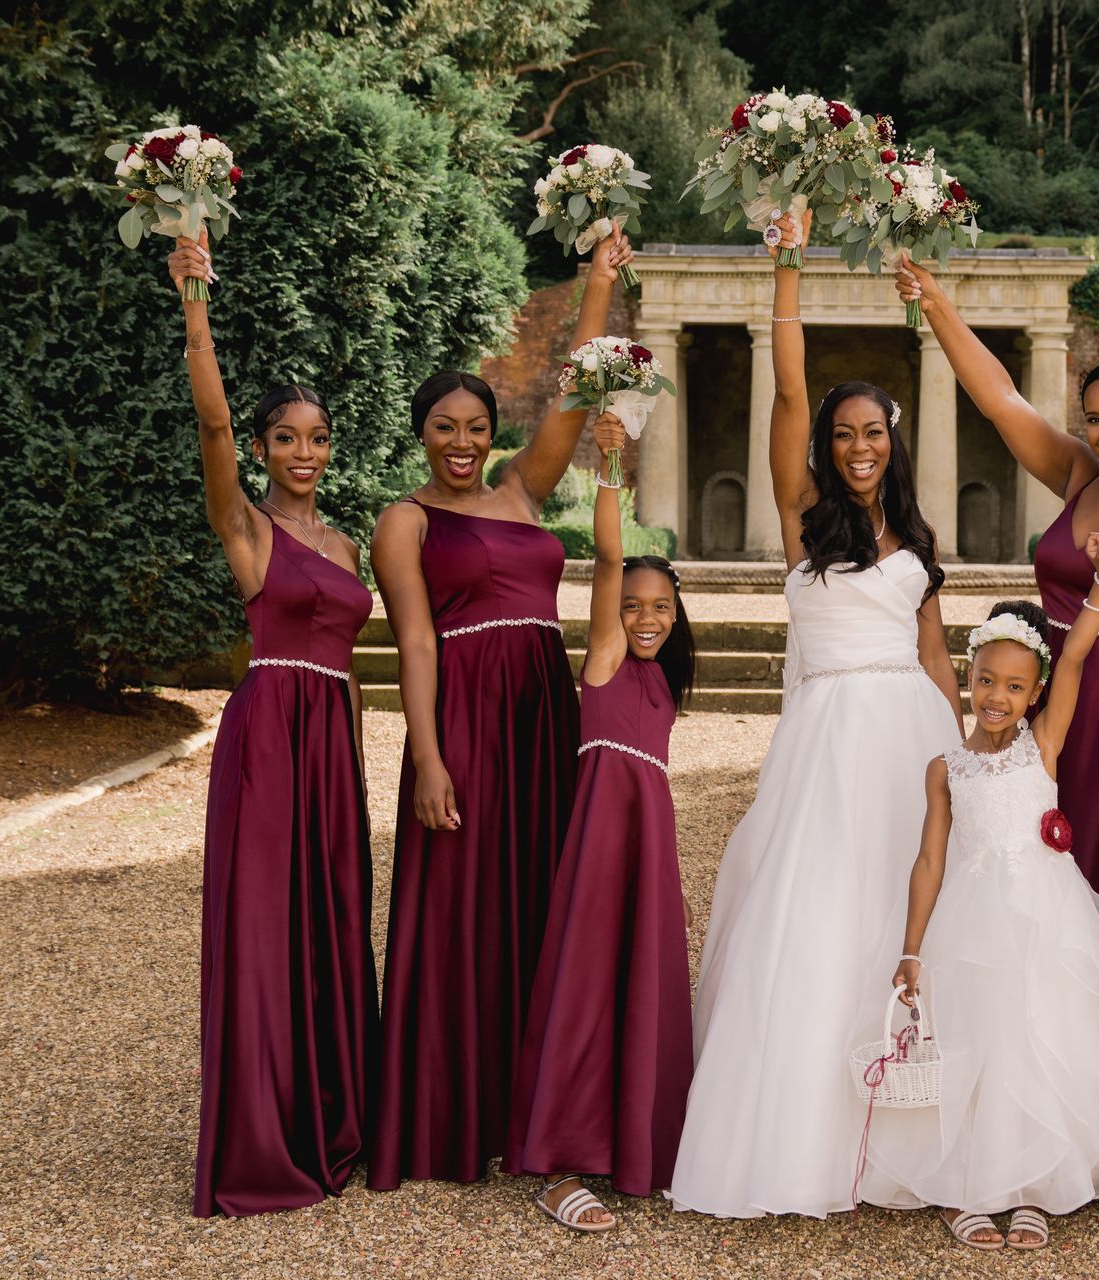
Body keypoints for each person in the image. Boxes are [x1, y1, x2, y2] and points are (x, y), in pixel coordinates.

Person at [669, 211, 963, 1218]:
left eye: (873, 432)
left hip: (912, 733)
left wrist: (965, 754)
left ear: (895, 440)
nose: (856, 447)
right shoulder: (805, 515)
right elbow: (787, 389)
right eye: (845, 435)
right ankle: (804, 1134)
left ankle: (915, 1126)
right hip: (827, 735)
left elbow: (935, 653)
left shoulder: (920, 537)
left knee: (912, 909)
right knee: (818, 909)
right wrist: (786, 264)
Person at [367, 231, 633, 1189]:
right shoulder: (405, 522)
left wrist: (598, 286)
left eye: (475, 425)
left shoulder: (524, 489)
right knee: (461, 918)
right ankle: (451, 1118)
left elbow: (574, 389)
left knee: (541, 906)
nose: (462, 443)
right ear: (421, 433)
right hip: (469, 727)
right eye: (444, 427)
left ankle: (538, 1110)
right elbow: (415, 644)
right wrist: (429, 757)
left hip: (542, 714)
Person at [863, 551, 1099, 1252]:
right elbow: (928, 861)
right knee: (977, 1043)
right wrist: (912, 948)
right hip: (970, 923)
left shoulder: (1042, 746)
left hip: (1044, 919)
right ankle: (968, 1188)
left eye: (1014, 686)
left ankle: (1037, 1185)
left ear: (1035, 693)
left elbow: (1075, 660)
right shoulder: (946, 769)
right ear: (970, 678)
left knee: (1039, 1042)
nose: (997, 698)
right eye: (985, 682)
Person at [897, 260, 1099, 908]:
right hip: (1054, 704)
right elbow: (1001, 399)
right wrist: (936, 304)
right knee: (1037, 858)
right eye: (1094, 419)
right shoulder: (1077, 473)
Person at [171, 233, 379, 1217]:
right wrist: (195, 304)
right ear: (262, 449)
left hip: (333, 740)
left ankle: (333, 1115)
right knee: (265, 927)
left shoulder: (343, 539)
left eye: (318, 437)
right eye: (287, 437)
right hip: (268, 735)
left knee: (333, 922)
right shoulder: (245, 523)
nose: (305, 452)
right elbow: (210, 424)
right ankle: (262, 1135)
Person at [505, 412, 697, 1230]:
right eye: (634, 605)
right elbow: (611, 557)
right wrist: (612, 462)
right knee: (585, 989)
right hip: (599, 851)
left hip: (649, 853)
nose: (647, 616)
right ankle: (555, 1162)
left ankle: (631, 1144)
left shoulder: (665, 686)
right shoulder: (609, 657)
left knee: (641, 987)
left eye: (662, 606)